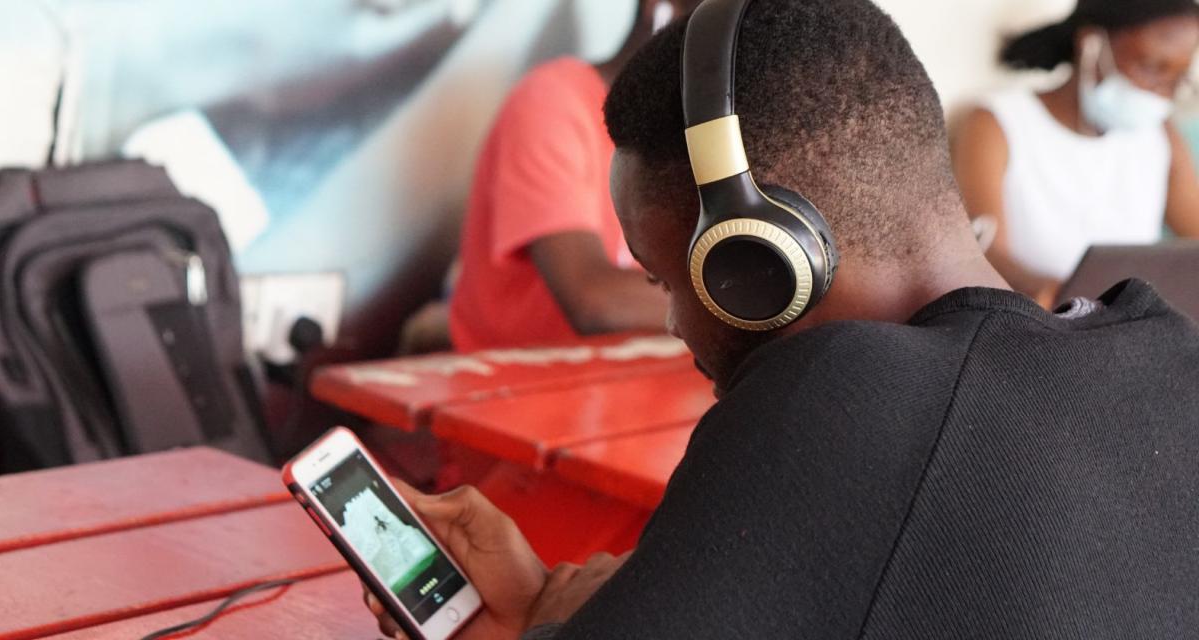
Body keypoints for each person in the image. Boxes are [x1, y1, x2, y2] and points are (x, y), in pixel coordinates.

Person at [365, 0, 1199, 638]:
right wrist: (555, 603)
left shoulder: (836, 396)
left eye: (665, 280)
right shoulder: (1164, 351)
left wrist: (544, 622)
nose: (675, 325)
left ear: (758, 260)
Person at [447, 1, 704, 352]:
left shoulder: (694, 130)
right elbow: (594, 300)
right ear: (661, 8)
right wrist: (739, 303)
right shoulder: (553, 98)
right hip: (517, 388)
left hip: (621, 383)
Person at [955, 0, 1199, 308]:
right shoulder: (997, 123)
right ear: (1091, 44)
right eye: (1151, 68)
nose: (1161, 93)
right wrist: (1055, 294)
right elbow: (985, 251)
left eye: (1177, 79)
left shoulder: (1161, 135)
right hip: (1041, 323)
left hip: (1130, 328)